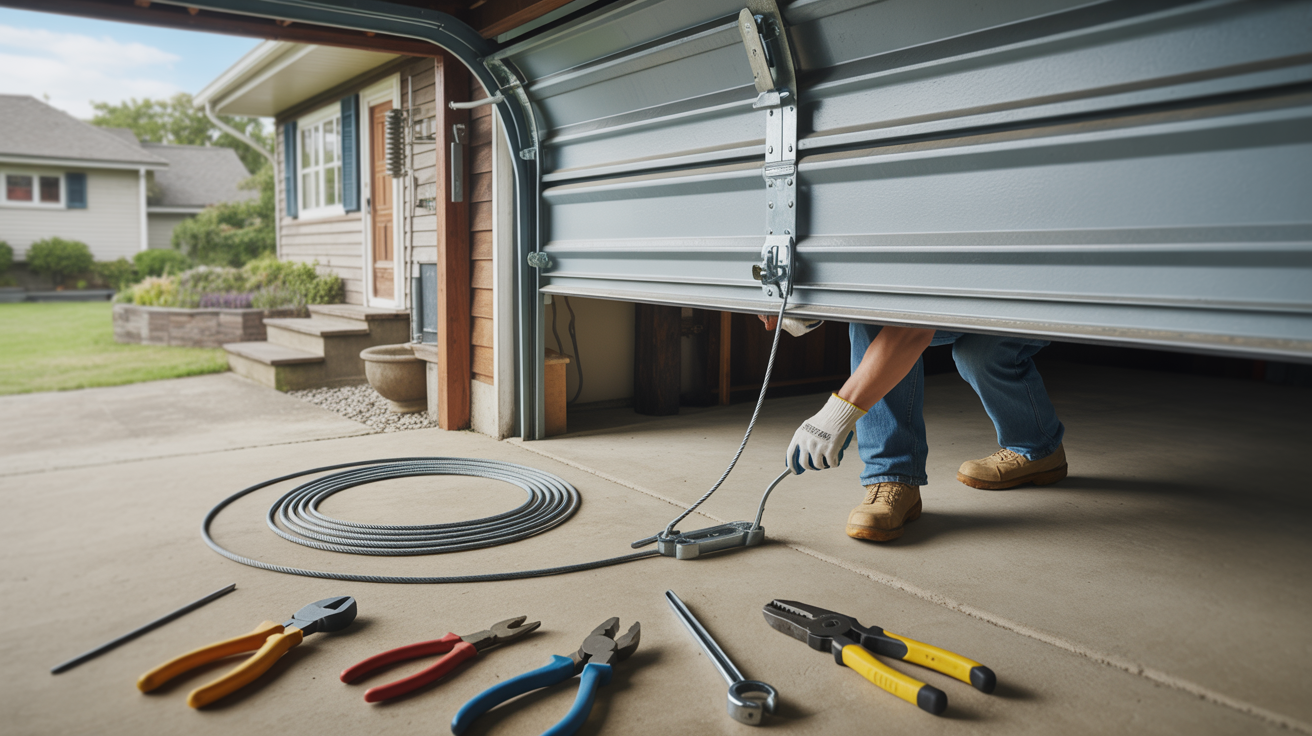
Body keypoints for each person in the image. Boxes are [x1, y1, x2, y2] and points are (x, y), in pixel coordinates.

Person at [763, 316, 1067, 542]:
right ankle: (893, 477)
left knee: (981, 353)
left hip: (1036, 290)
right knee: (874, 315)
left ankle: (1035, 448)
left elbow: (914, 324)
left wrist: (836, 415)